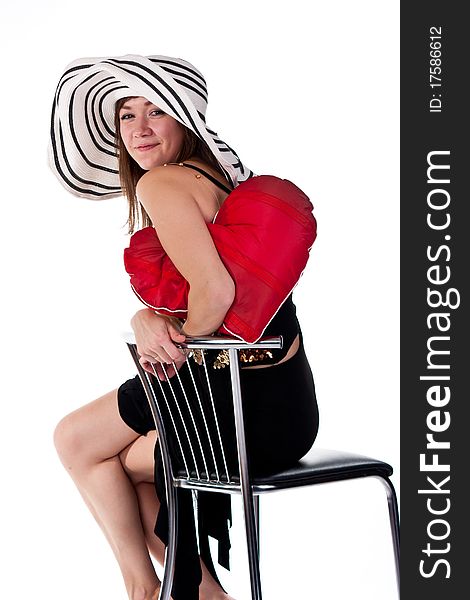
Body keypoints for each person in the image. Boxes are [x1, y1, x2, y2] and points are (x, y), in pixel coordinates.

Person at [50, 55, 319, 600]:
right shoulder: (218, 178)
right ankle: (184, 591)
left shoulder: (165, 185)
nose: (140, 129)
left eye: (156, 113)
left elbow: (215, 296)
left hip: (236, 410)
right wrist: (147, 318)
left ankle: (152, 590)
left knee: (81, 443)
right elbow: (217, 291)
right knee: (115, 459)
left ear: (186, 120)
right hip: (285, 409)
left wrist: (174, 351)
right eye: (126, 115)